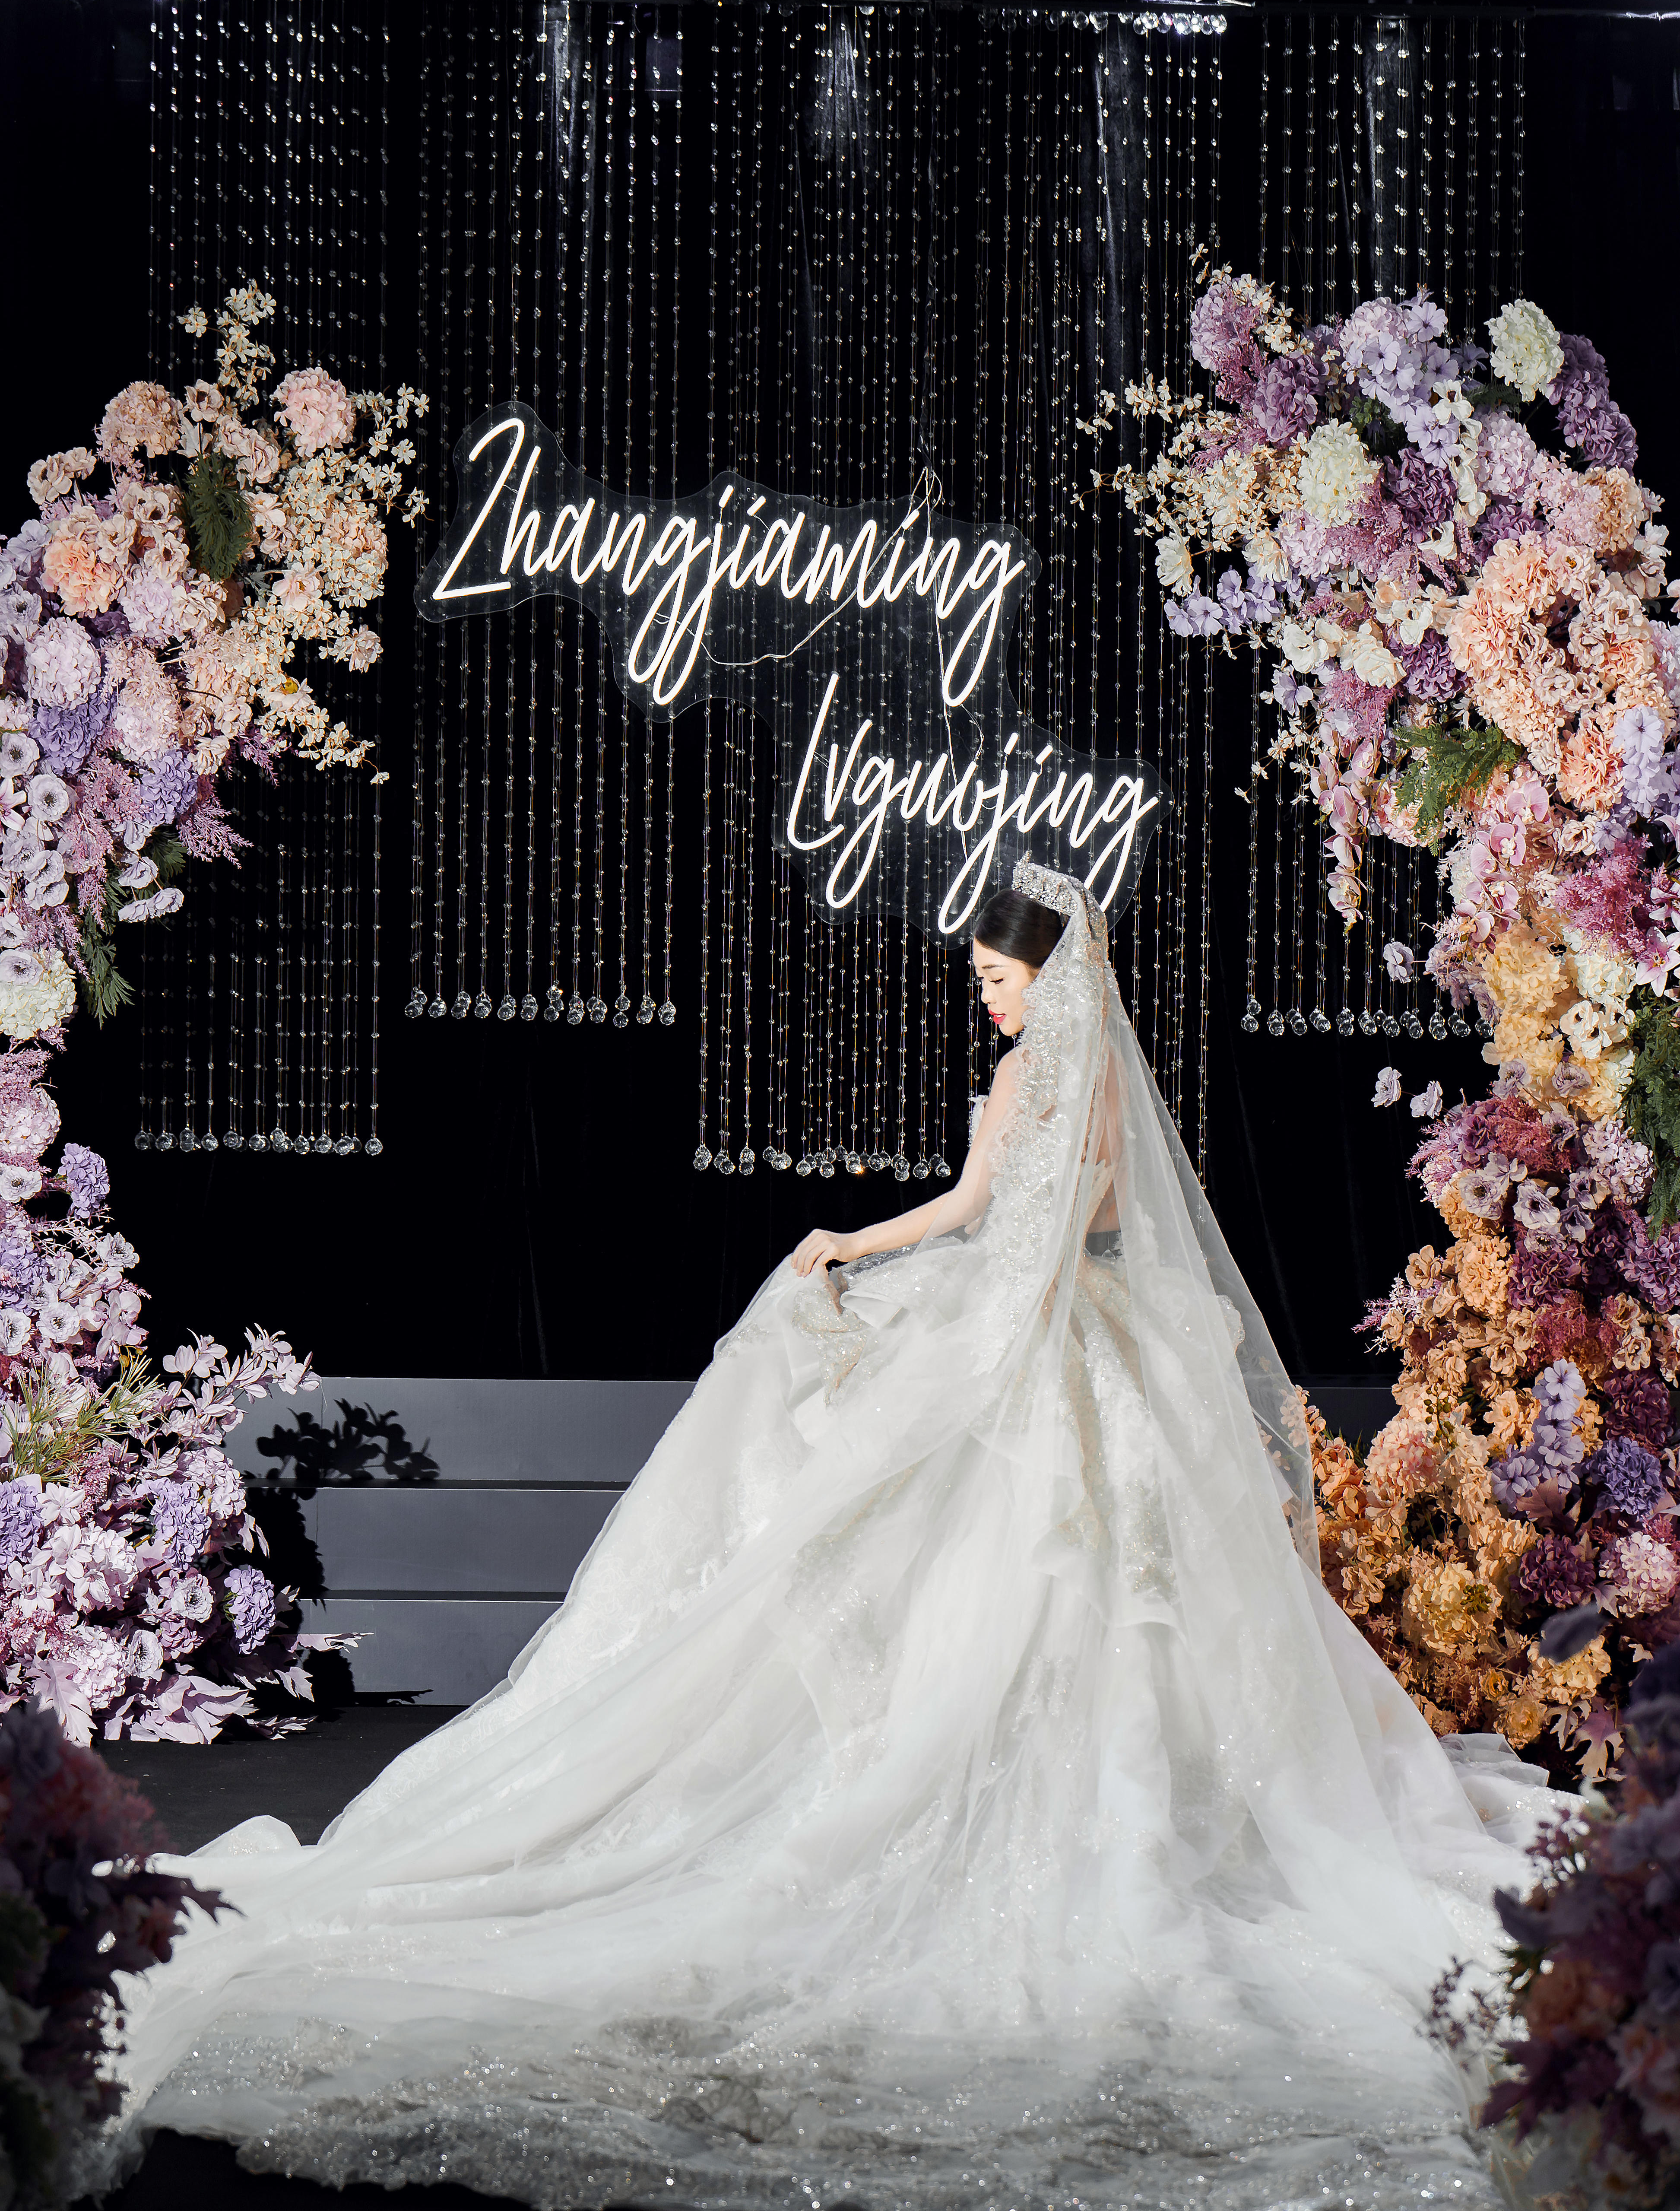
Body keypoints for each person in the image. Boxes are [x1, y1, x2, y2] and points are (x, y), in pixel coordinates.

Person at [89, 858, 1554, 2211]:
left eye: (999, 975)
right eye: (983, 977)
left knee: (1042, 1564)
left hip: (1045, 1336)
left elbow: (1033, 1225)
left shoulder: (1065, 1078)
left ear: (1052, 976)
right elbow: (991, 1208)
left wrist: (939, 1291)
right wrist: (854, 1242)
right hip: (1049, 1325)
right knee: (993, 1543)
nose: (988, 996)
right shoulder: (1056, 1074)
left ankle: (1060, 1798)